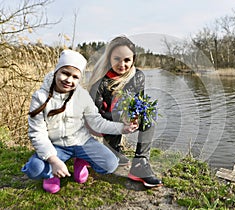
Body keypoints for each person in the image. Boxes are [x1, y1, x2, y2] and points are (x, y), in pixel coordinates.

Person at [21, 49, 138, 194]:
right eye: (65, 73)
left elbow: (97, 122)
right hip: (56, 146)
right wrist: (54, 160)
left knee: (110, 164)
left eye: (75, 77)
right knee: (34, 169)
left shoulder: (82, 96)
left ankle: (81, 161)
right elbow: (37, 133)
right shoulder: (40, 97)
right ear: (57, 71)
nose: (69, 80)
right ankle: (50, 174)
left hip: (82, 142)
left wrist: (122, 128)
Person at [88, 36, 163, 188]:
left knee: (149, 114)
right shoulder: (100, 80)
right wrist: (122, 121)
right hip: (102, 123)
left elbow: (139, 103)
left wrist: (134, 117)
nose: (122, 65)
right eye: (117, 59)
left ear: (133, 59)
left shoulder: (138, 76)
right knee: (111, 162)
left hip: (123, 120)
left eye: (127, 60)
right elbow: (96, 115)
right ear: (109, 58)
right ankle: (111, 149)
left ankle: (140, 164)